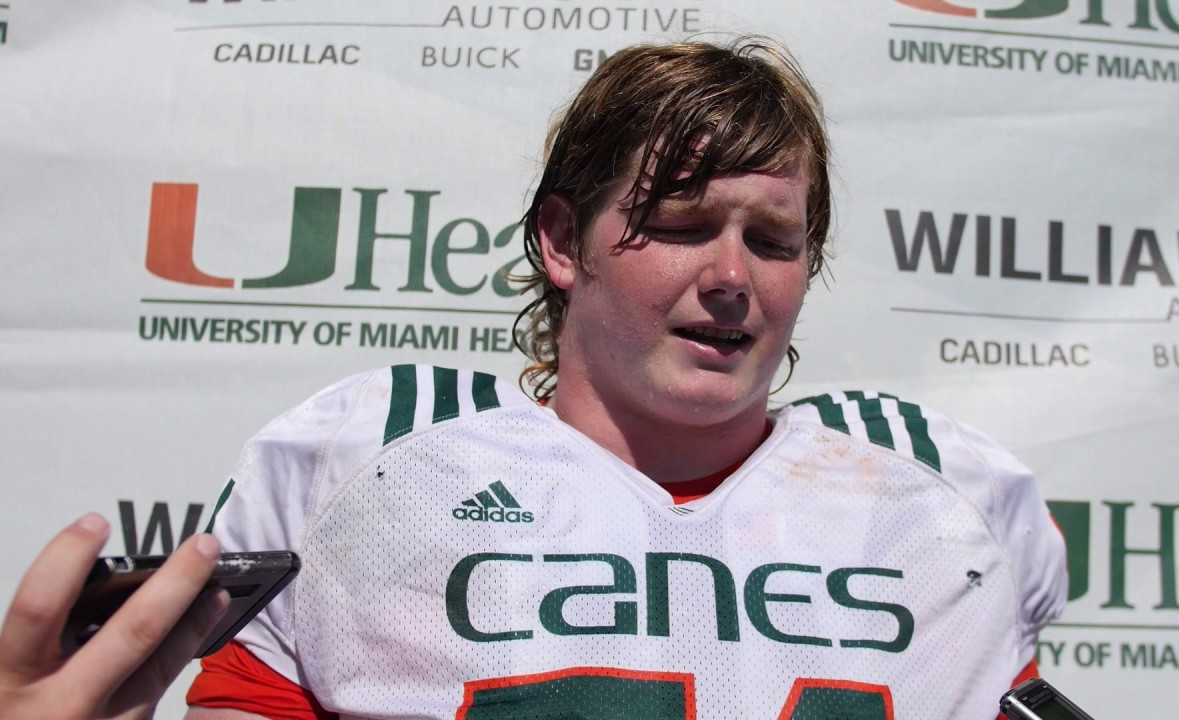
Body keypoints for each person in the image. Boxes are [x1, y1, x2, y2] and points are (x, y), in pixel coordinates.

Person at [0, 38, 1066, 720]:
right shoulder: (374, 466)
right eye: (683, 227)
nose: (733, 277)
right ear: (563, 242)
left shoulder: (937, 497)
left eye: (774, 240)